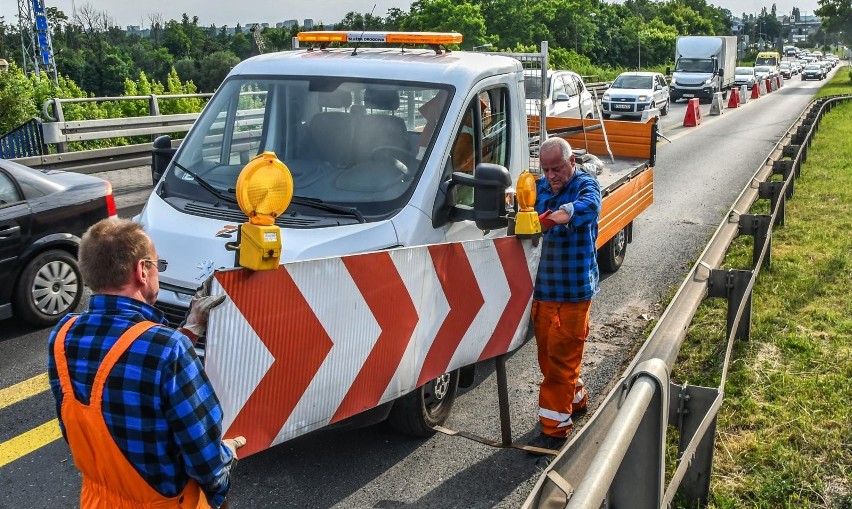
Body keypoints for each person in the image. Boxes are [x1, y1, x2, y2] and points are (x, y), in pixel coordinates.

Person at [47, 218, 245, 508]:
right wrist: (222, 470)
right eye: (157, 264)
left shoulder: (62, 336)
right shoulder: (168, 349)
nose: (158, 272)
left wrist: (190, 327)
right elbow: (203, 454)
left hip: (97, 499)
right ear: (142, 271)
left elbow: (126, 370)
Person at [528, 136, 601, 453]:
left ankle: (554, 432)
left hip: (572, 294)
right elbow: (526, 204)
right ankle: (576, 397)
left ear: (572, 163)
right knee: (548, 357)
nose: (551, 176)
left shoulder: (585, 185)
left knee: (560, 362)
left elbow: (588, 207)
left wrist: (556, 215)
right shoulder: (542, 187)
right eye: (546, 170)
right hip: (544, 291)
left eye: (557, 168)